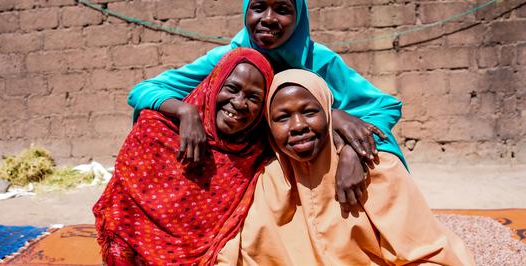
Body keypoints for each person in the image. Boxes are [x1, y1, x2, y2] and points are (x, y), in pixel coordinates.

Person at [128, 0, 404, 208]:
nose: (268, 19)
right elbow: (144, 90)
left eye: (282, 9)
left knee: (379, 153)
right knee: (152, 119)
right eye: (258, 7)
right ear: (246, 12)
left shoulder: (319, 61)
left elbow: (384, 107)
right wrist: (186, 111)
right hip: (248, 167)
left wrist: (351, 150)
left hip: (307, 157)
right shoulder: (228, 59)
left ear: (298, 18)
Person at [216, 69, 475, 265]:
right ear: (269, 129)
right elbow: (241, 252)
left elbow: (429, 252)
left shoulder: (376, 168)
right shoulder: (268, 182)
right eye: (283, 117)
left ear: (329, 114)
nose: (297, 126)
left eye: (309, 112)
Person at [92, 48, 275, 265]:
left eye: (254, 97)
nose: (239, 102)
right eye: (231, 88)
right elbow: (122, 215)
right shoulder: (157, 130)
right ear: (213, 85)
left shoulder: (255, 153)